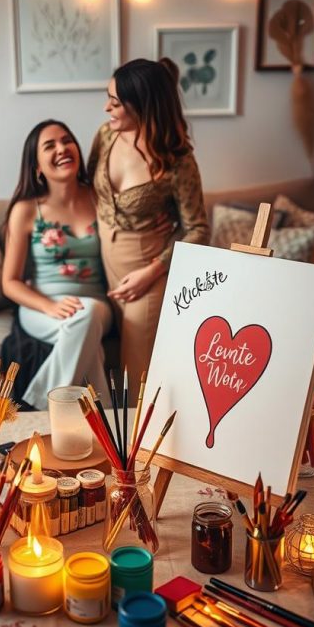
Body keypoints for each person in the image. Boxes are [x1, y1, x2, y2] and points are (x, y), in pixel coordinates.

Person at [88, 57, 210, 402]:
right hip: (107, 266)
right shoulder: (106, 136)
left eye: (115, 102)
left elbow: (199, 230)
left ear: (142, 106)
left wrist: (152, 271)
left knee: (137, 374)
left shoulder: (178, 161)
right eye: (108, 97)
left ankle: (145, 437)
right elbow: (87, 186)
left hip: (149, 273)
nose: (106, 108)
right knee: (114, 369)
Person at [2, 120, 113, 410]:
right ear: (37, 166)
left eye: (67, 140)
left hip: (96, 304)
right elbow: (10, 282)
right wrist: (49, 306)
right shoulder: (26, 210)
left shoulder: (101, 198)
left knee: (87, 316)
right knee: (90, 348)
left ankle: (39, 410)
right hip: (41, 306)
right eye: (50, 146)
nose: (62, 149)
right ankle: (105, 421)